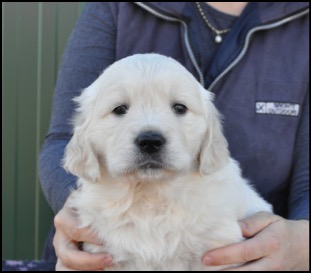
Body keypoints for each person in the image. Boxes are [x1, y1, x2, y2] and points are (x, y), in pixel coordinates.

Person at [39, 2, 309, 270]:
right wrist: (77, 210)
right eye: (120, 109)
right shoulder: (116, 7)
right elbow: (63, 139)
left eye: (179, 108)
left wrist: (302, 243)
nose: (150, 135)